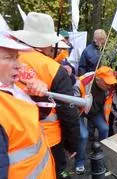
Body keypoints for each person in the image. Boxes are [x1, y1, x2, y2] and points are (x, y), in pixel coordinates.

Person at [9, 12, 80, 178]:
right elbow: (68, 112)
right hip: (48, 140)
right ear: (48, 43)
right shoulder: (54, 69)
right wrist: (72, 144)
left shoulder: (7, 60)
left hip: (12, 140)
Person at [0, 32, 56, 179]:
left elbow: (33, 119)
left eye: (17, 56)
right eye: (8, 58)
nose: (19, 65)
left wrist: (38, 96)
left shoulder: (10, 87)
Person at [73, 66, 117, 174]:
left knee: (104, 128)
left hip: (94, 112)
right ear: (98, 79)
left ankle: (100, 153)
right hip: (79, 112)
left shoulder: (109, 88)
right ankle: (79, 162)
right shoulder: (81, 84)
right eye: (106, 82)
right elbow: (71, 105)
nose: (109, 85)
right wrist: (82, 102)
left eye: (110, 82)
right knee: (83, 135)